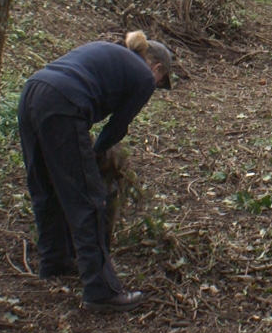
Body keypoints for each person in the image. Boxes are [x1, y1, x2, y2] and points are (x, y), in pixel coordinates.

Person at [17, 31, 173, 313]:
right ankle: (100, 290)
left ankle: (53, 262)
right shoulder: (144, 76)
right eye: (161, 81)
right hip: (62, 103)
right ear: (158, 68)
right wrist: (97, 152)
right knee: (88, 199)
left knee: (45, 186)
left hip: (32, 92)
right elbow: (117, 126)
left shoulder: (110, 52)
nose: (157, 85)